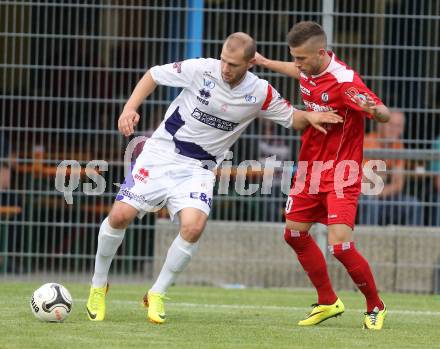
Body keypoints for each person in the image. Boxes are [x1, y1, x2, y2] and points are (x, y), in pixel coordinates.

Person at [86, 32, 343, 324]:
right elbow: (153, 75)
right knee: (120, 215)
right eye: (223, 60)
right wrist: (130, 108)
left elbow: (291, 118)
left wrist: (310, 116)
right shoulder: (201, 69)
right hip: (162, 152)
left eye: (233, 64)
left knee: (193, 227)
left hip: (200, 168)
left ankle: (156, 293)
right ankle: (98, 285)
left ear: (249, 64)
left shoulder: (260, 92)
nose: (225, 68)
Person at [255, 21, 391, 330]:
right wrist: (264, 62)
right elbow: (296, 72)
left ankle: (376, 305)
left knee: (340, 246)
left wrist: (374, 108)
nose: (297, 64)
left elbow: (382, 112)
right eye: (294, 57)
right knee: (293, 234)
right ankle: (328, 301)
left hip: (342, 172)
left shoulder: (345, 82)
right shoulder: (308, 68)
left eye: (301, 58)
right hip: (310, 170)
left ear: (320, 52)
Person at [360, 110, 422, 225]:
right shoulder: (367, 142)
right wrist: (386, 175)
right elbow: (362, 182)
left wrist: (379, 181)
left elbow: (398, 184)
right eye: (390, 124)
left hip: (386, 196)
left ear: (402, 130)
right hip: (366, 197)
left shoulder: (398, 145)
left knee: (414, 204)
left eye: (398, 126)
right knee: (371, 202)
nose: (394, 129)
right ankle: (368, 240)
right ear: (380, 124)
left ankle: (413, 241)